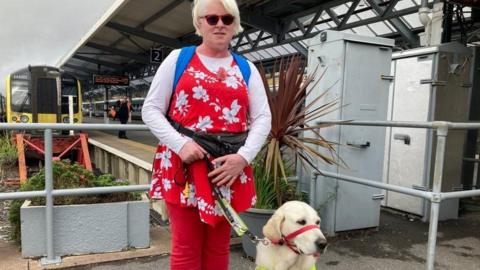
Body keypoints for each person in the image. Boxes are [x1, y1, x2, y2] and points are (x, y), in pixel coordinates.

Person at [142, 0, 271, 269]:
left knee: (218, 247)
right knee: (186, 247)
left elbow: (263, 118)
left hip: (228, 169)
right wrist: (181, 144)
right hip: (185, 167)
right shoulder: (178, 59)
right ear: (199, 23)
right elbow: (151, 109)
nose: (220, 24)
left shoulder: (246, 68)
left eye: (227, 19)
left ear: (235, 25)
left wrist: (243, 158)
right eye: (212, 18)